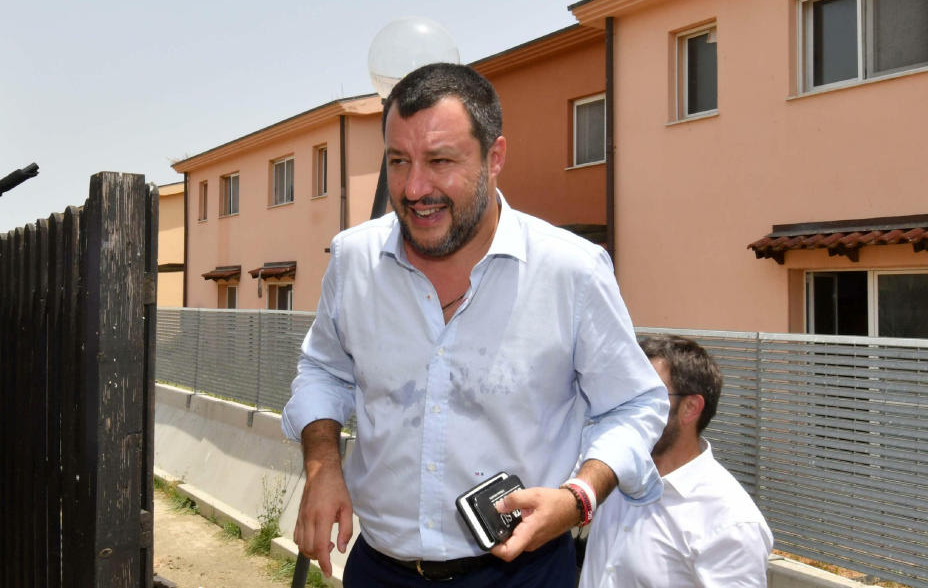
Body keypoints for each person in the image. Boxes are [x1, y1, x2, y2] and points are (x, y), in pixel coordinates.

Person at [281, 62, 668, 588]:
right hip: (378, 570)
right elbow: (323, 372)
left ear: (495, 158)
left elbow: (636, 404)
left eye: (440, 161)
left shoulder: (570, 270)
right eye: (399, 161)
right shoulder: (354, 259)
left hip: (524, 575)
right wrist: (323, 467)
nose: (415, 188)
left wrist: (578, 496)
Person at [579, 335, 774, 588]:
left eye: (646, 395)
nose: (627, 408)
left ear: (690, 408)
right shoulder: (615, 469)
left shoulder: (731, 523)